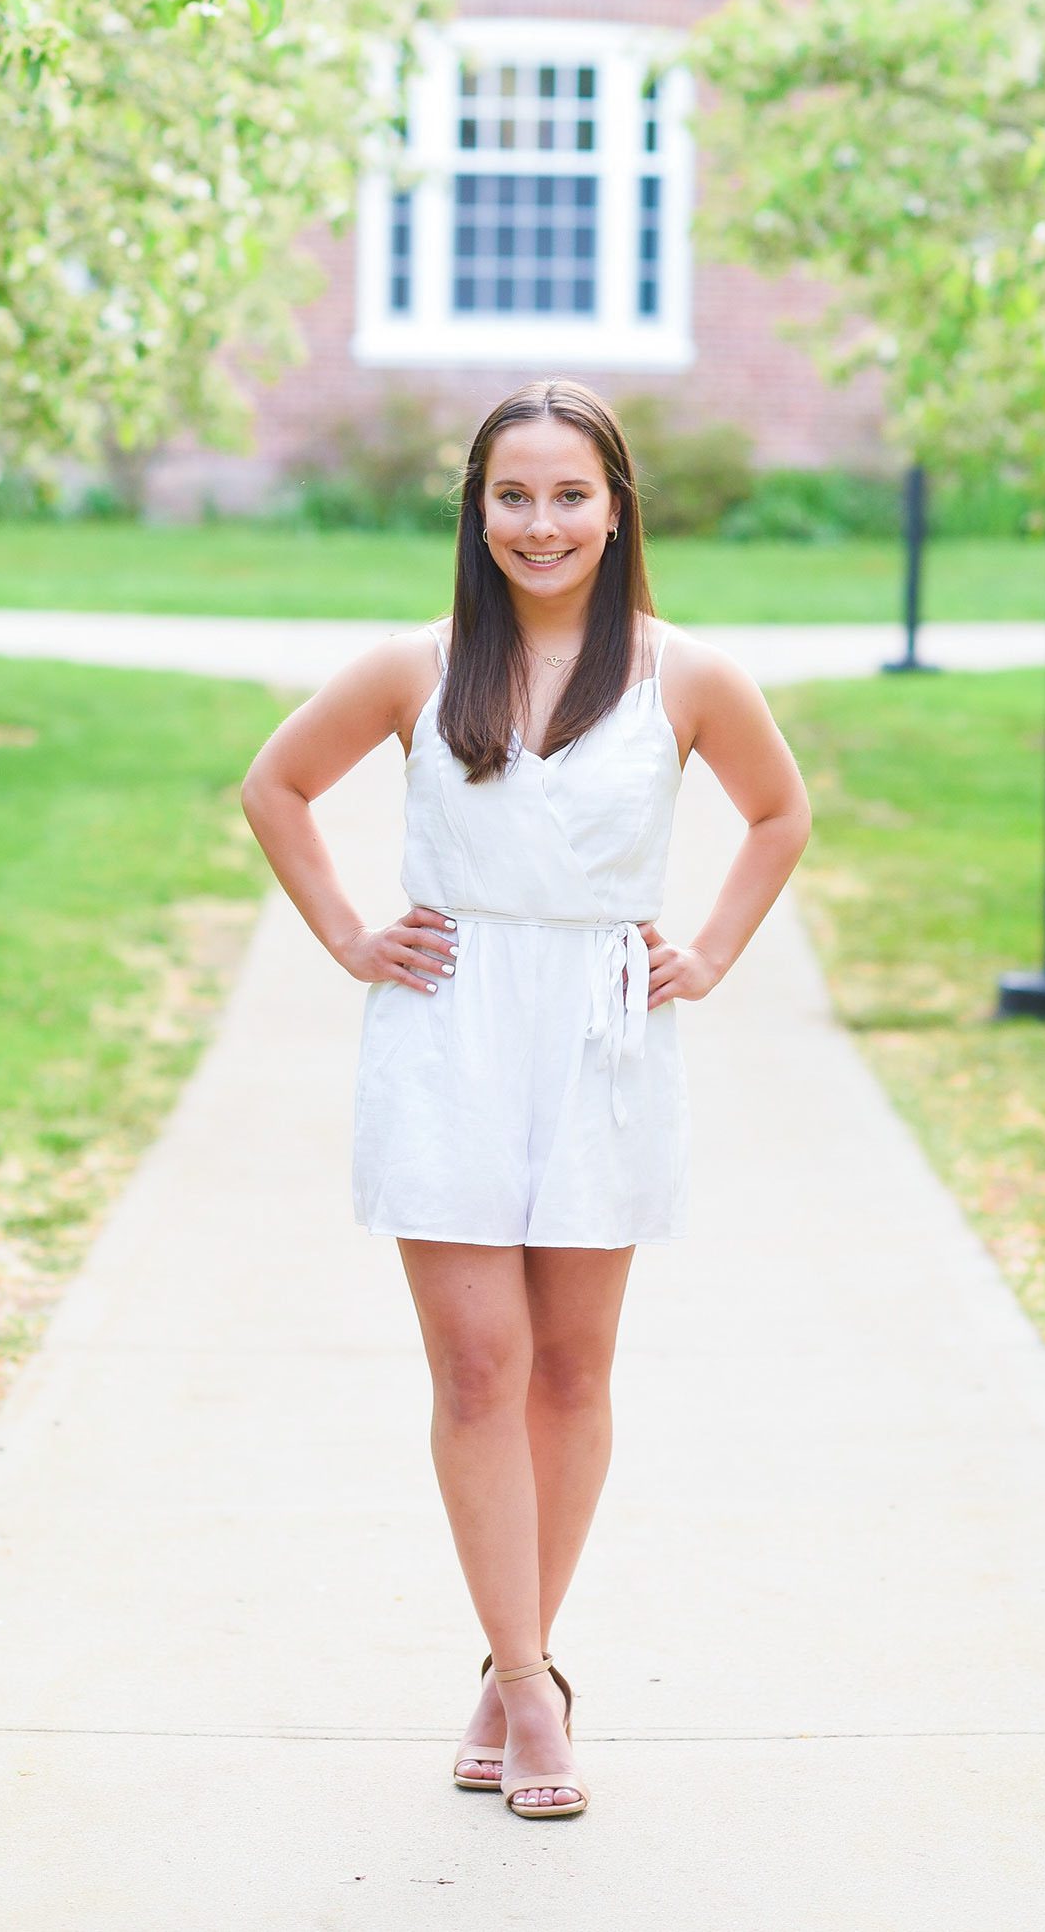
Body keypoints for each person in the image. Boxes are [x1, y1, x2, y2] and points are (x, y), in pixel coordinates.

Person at [239, 378, 811, 1822]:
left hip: (601, 1043)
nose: (540, 522)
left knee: (569, 1370)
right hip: (445, 1033)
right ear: (475, 510)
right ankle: (531, 1689)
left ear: (615, 507)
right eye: (512, 495)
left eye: (568, 495)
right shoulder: (413, 670)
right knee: (479, 1368)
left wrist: (713, 947)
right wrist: (354, 936)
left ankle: (516, 1671)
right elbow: (274, 789)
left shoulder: (684, 677)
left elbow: (777, 813)